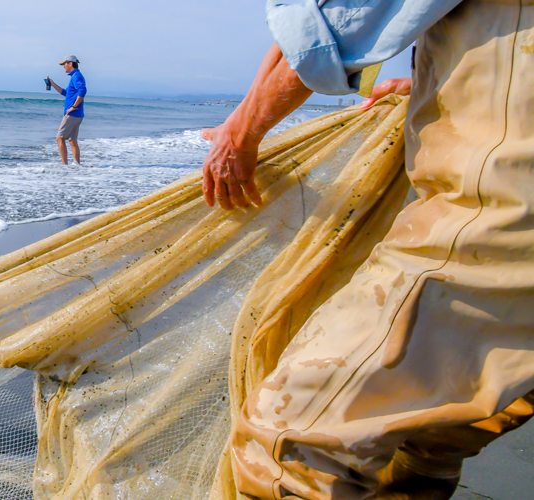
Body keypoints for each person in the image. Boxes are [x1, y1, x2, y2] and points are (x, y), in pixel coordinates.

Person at [207, 2, 534, 499]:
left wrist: (243, 131)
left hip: (505, 201)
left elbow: (331, 29)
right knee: (435, 427)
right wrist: (434, 81)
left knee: (289, 444)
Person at [47, 55, 86, 165]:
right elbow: (66, 93)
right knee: (72, 140)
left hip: (72, 114)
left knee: (59, 138)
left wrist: (73, 106)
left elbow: (82, 91)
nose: (63, 66)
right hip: (78, 115)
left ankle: (65, 166)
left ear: (70, 64)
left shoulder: (76, 76)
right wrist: (53, 84)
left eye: (65, 63)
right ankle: (77, 165)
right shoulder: (75, 76)